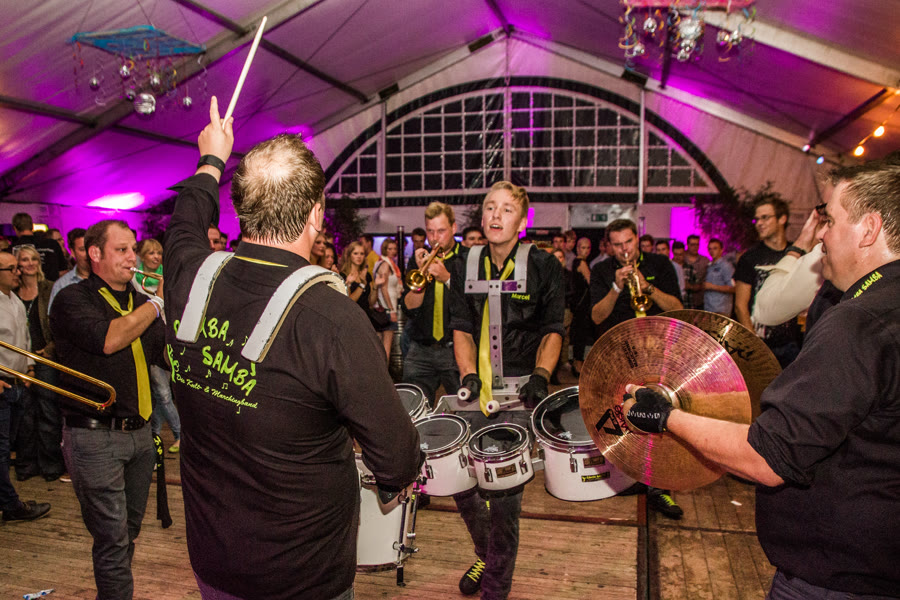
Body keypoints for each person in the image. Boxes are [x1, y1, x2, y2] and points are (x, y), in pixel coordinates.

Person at [163, 97, 421, 600]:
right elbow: (396, 457)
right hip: (302, 577)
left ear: (242, 208)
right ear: (315, 216)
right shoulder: (333, 318)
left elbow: (185, 220)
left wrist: (211, 159)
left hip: (213, 561)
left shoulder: (189, 277)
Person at [620, 157, 900, 599]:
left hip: (838, 576)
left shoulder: (858, 322)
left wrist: (665, 416)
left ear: (868, 229)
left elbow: (768, 458)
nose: (821, 235)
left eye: (830, 220)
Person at [448, 181, 565, 599]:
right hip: (475, 391)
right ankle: (487, 554)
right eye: (490, 208)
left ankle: (495, 589)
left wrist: (541, 374)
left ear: (522, 221)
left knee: (503, 501)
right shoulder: (464, 264)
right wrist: (468, 375)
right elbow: (462, 327)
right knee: (460, 484)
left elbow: (553, 328)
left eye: (507, 209)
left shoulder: (545, 266)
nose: (496, 215)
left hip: (519, 395)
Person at [50, 219, 166, 600]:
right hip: (95, 437)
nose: (133, 257)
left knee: (127, 533)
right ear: (95, 253)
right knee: (113, 538)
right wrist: (157, 303)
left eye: (133, 248)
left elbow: (165, 355)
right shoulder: (72, 299)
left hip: (141, 434)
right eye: (122, 250)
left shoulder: (139, 302)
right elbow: (109, 339)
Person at [589, 219, 684, 519]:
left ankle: (659, 487)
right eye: (617, 245)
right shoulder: (601, 271)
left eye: (628, 242)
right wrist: (616, 287)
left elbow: (678, 308)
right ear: (609, 246)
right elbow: (596, 316)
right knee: (621, 417)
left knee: (659, 418)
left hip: (657, 352)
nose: (624, 250)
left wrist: (648, 287)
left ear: (637, 238)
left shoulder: (660, 264)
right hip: (620, 354)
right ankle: (627, 476)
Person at [0, 251, 51, 522]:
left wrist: (30, 367)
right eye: (11, 269)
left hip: (18, 382)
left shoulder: (15, 300)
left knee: (7, 446)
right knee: (1, 450)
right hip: (2, 384)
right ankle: (10, 505)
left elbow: (25, 338)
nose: (18, 272)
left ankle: (8, 501)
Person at [401, 202, 463, 405]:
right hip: (421, 348)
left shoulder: (466, 258)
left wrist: (447, 278)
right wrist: (422, 276)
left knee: (467, 409)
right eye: (430, 231)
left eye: (441, 231)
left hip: (457, 348)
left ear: (453, 228)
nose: (435, 238)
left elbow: (474, 304)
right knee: (412, 407)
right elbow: (409, 308)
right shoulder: (419, 260)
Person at [12, 245, 65, 482]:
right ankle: (26, 464)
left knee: (48, 411)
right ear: (17, 265)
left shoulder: (49, 288)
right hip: (20, 358)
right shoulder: (12, 292)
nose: (31, 263)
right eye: (25, 259)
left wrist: (49, 349)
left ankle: (51, 465)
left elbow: (60, 324)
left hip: (45, 357)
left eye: (34, 259)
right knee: (24, 413)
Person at [734, 197, 803, 367]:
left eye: (765, 217)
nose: (759, 223)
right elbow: (740, 306)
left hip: (792, 343)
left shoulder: (797, 255)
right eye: (757, 219)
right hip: (760, 343)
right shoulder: (750, 258)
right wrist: (754, 345)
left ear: (782, 219)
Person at [133, 239, 181, 455]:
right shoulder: (134, 280)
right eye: (151, 253)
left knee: (163, 393)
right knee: (158, 393)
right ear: (142, 256)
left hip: (165, 339)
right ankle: (155, 434)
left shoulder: (169, 277)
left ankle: (179, 434)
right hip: (146, 339)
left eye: (159, 253)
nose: (156, 257)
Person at [11, 213, 67, 281]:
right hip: (53, 285)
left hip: (27, 286)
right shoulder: (52, 243)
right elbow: (63, 271)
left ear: (15, 228)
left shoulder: (13, 249)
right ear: (32, 226)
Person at [373, 237, 402, 360]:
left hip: (382, 308)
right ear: (384, 249)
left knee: (379, 348)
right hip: (387, 308)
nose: (393, 251)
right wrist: (391, 310)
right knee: (386, 349)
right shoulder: (385, 265)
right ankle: (384, 371)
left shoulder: (383, 263)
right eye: (389, 249)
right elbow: (384, 288)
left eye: (394, 248)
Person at [48, 228, 89, 312]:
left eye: (89, 249)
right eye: (82, 249)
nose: (87, 254)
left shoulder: (105, 278)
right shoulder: (62, 284)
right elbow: (53, 316)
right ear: (72, 252)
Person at [570, 237, 594, 376]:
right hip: (582, 304)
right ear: (578, 248)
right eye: (583, 248)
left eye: (588, 248)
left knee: (580, 334)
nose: (586, 251)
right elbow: (591, 282)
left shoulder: (577, 262)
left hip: (580, 302)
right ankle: (577, 364)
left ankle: (577, 363)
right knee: (580, 334)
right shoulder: (581, 262)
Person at [703, 238, 735, 316]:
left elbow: (733, 288)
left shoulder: (726, 266)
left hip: (721, 309)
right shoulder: (709, 266)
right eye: (710, 249)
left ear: (721, 250)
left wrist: (712, 286)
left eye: (715, 248)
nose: (712, 251)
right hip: (709, 308)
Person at [682, 234, 710, 310]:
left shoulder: (705, 261)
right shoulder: (681, 258)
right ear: (687, 245)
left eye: (697, 244)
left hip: (700, 300)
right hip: (684, 300)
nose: (695, 247)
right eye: (692, 245)